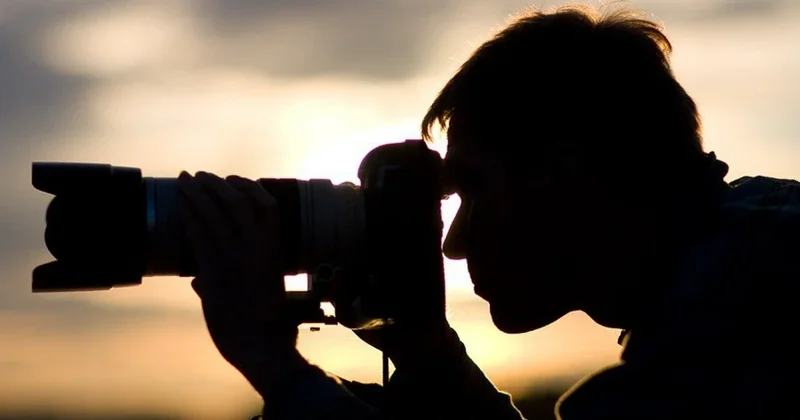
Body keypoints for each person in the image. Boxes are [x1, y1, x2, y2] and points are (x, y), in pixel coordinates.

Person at [178, 4, 799, 419]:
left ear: (565, 173)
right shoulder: (747, 255)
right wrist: (428, 353)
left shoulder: (724, 340)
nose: (453, 243)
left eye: (472, 190)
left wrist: (273, 364)